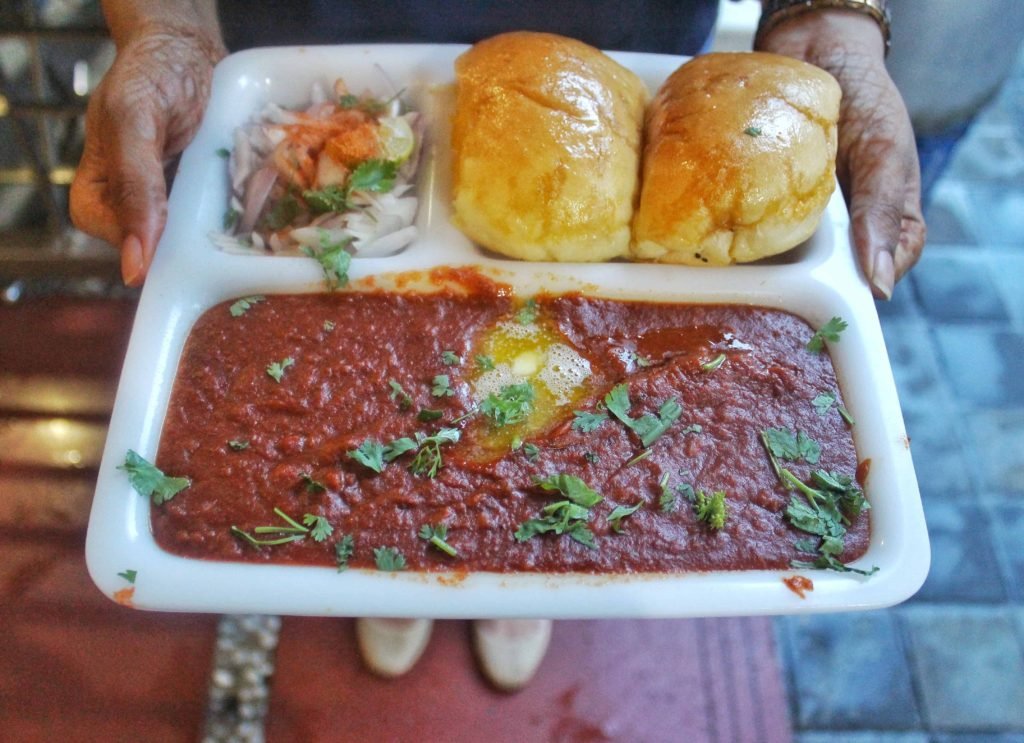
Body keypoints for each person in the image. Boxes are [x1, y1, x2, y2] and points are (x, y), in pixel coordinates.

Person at [70, 0, 925, 691]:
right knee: (388, 530)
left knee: (530, 512)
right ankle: (396, 578)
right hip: (302, 35)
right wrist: (162, 20)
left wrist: (834, 12)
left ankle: (514, 585)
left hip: (634, 45)